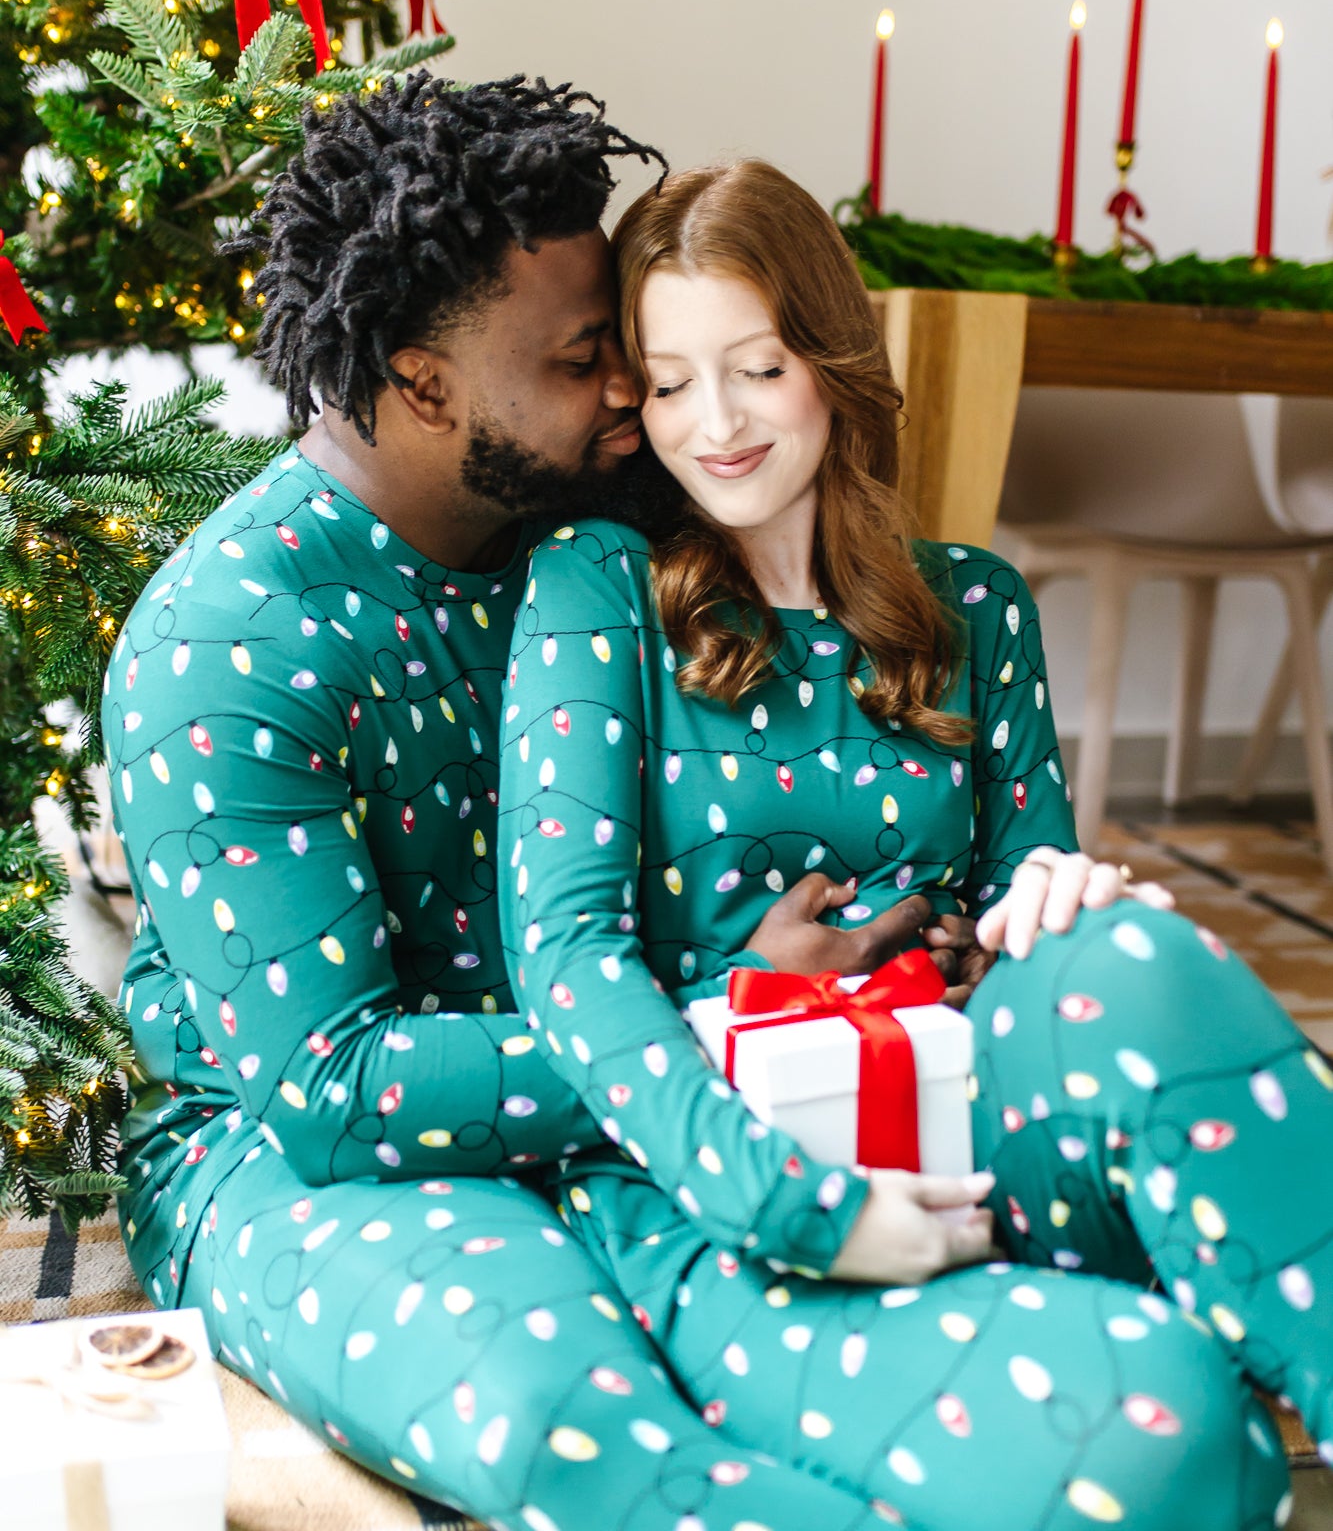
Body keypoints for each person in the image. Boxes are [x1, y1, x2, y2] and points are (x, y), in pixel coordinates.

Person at [106, 81, 905, 1531]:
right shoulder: (228, 650)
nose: (634, 392)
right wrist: (716, 1028)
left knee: (865, 1355)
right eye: (587, 357)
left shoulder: (614, 531)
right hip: (290, 1159)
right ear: (421, 383)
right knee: (563, 1413)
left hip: (635, 1093)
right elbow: (334, 1095)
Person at [500, 159, 1333, 1531]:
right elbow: (568, 960)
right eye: (668, 381)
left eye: (758, 368)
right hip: (729, 1163)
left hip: (974, 1109)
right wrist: (789, 1202)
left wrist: (1049, 899)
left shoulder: (975, 607)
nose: (713, 423)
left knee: (1122, 948)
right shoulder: (596, 592)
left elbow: (1024, 888)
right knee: (1189, 1440)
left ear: (829, 362)